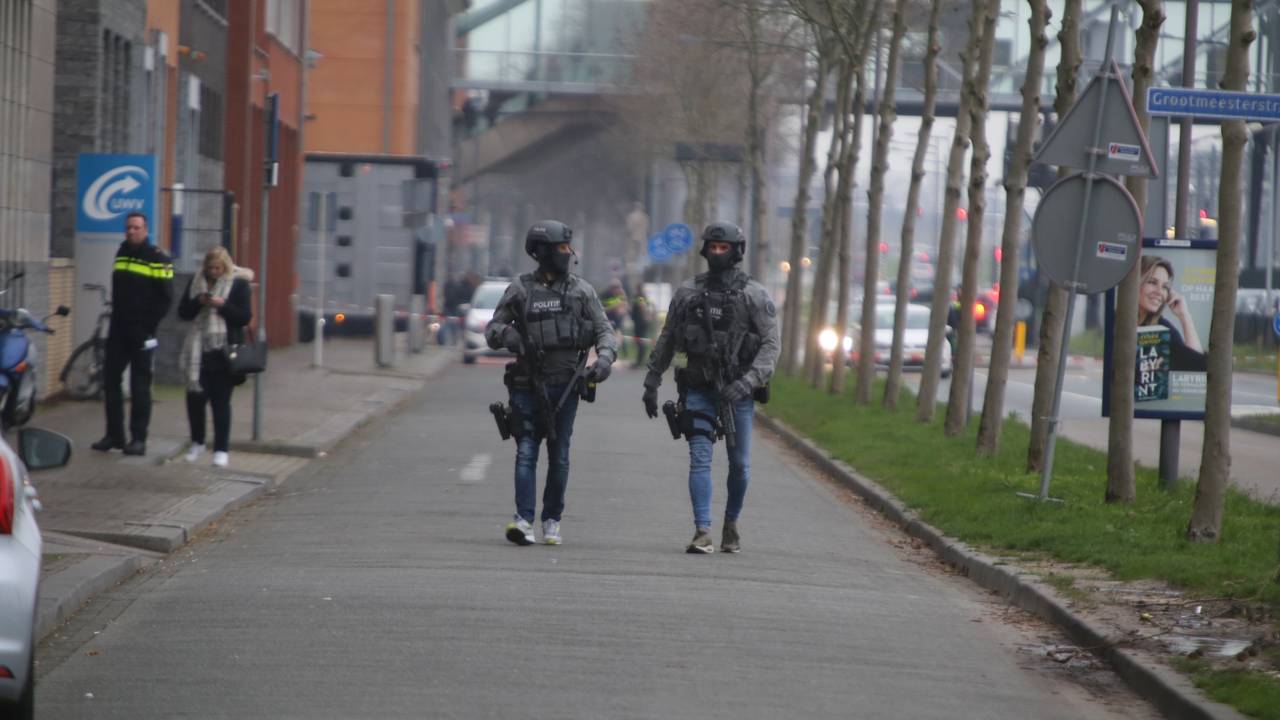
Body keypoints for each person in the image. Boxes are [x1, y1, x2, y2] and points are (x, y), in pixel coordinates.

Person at [642, 222, 779, 554]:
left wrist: (747, 382)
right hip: (699, 388)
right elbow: (669, 337)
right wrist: (652, 379)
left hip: (738, 393)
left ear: (737, 252)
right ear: (705, 250)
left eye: (724, 248)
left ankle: (730, 523)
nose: (718, 253)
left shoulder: (755, 295)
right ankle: (702, 530)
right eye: (713, 248)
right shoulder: (688, 292)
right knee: (699, 458)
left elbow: (771, 345)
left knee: (740, 465)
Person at [485, 220, 618, 546]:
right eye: (560, 248)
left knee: (559, 455)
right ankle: (524, 520)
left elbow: (605, 331)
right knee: (526, 450)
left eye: (567, 248)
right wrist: (511, 335)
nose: (567, 254)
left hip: (567, 386)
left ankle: (552, 519)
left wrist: (604, 360)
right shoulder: (520, 289)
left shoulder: (581, 291)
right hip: (527, 384)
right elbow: (492, 331)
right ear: (542, 252)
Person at [91, 212, 174, 456]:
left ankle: (138, 439)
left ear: (146, 230)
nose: (131, 231)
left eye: (136, 228)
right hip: (118, 330)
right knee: (110, 381)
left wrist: (147, 327)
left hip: (142, 332)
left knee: (140, 386)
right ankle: (114, 435)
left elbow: (165, 298)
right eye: (128, 227)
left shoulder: (157, 258)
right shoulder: (121, 253)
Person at [177, 247, 253, 468]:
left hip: (224, 351)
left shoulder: (239, 284)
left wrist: (223, 306)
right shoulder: (196, 282)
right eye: (210, 268)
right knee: (195, 399)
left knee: (221, 403)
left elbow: (244, 317)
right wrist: (199, 301)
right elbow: (183, 312)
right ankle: (197, 442)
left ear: (226, 267)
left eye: (218, 268)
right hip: (198, 351)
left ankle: (221, 449)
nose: (213, 272)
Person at [1138, 255, 1206, 372]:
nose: (1159, 292)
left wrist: (1184, 315)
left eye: (1165, 287)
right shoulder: (1115, 321)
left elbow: (1196, 364)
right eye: (1152, 282)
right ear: (1136, 283)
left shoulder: (1163, 328)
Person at [630, 292, 653, 368]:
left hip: (640, 324)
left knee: (640, 342)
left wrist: (644, 318)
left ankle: (640, 361)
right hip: (641, 323)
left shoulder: (640, 298)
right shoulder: (644, 298)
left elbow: (642, 306)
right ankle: (640, 360)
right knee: (641, 342)